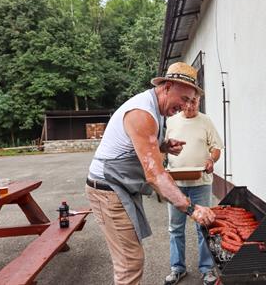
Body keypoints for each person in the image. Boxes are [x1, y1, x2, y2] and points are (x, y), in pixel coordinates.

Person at [85, 62, 216, 285]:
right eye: (183, 99)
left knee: (131, 259)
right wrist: (192, 209)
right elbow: (155, 175)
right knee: (130, 262)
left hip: (120, 188)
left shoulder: (158, 110)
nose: (185, 106)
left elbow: (137, 146)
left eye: (190, 101)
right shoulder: (142, 113)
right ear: (167, 87)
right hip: (109, 191)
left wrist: (163, 146)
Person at [164, 95, 223, 285]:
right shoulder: (171, 121)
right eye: (186, 102)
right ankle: (177, 268)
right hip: (176, 185)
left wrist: (211, 160)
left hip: (201, 183)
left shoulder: (206, 121)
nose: (190, 106)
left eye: (194, 102)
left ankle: (207, 270)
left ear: (199, 101)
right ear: (181, 103)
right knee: (175, 228)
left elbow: (216, 148)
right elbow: (163, 148)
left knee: (204, 226)